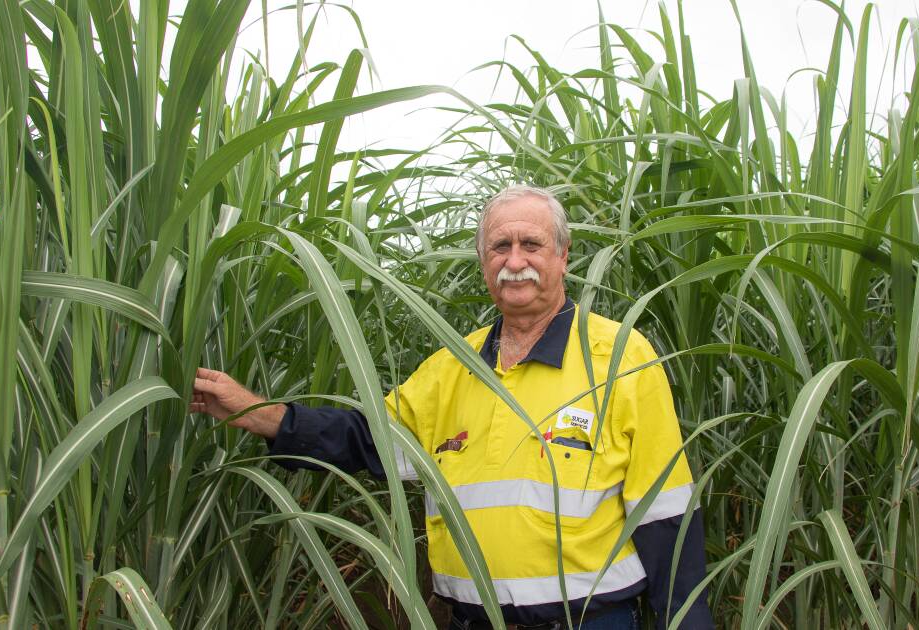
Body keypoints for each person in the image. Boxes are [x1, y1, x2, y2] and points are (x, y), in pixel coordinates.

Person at [191, 185, 713, 629]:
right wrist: (254, 412)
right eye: (498, 246)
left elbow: (666, 515)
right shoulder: (451, 365)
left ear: (563, 255)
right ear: (483, 261)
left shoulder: (619, 355)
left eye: (531, 244)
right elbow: (367, 440)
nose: (514, 262)